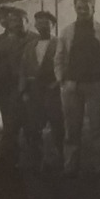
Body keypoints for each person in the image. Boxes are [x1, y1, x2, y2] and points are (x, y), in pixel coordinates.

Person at [55, 0, 100, 176]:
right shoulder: (67, 31)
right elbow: (59, 56)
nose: (83, 10)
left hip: (96, 86)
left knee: (97, 129)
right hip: (72, 86)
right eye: (79, 7)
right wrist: (62, 79)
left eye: (86, 7)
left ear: (93, 8)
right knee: (72, 129)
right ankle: (70, 168)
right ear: (75, 8)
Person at [19, 11, 65, 172]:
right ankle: (36, 161)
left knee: (57, 125)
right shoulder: (30, 45)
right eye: (39, 22)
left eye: (46, 23)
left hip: (53, 90)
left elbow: (65, 66)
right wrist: (23, 90)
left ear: (53, 25)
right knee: (34, 126)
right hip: (35, 92)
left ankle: (61, 159)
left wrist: (57, 83)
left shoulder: (60, 43)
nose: (42, 26)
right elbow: (23, 69)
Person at [0, 6, 32, 171]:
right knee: (9, 124)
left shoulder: (34, 39)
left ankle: (32, 160)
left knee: (30, 125)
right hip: (7, 88)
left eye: (20, 21)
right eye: (13, 21)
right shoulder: (1, 41)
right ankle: (8, 161)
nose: (16, 24)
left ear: (27, 22)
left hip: (29, 88)